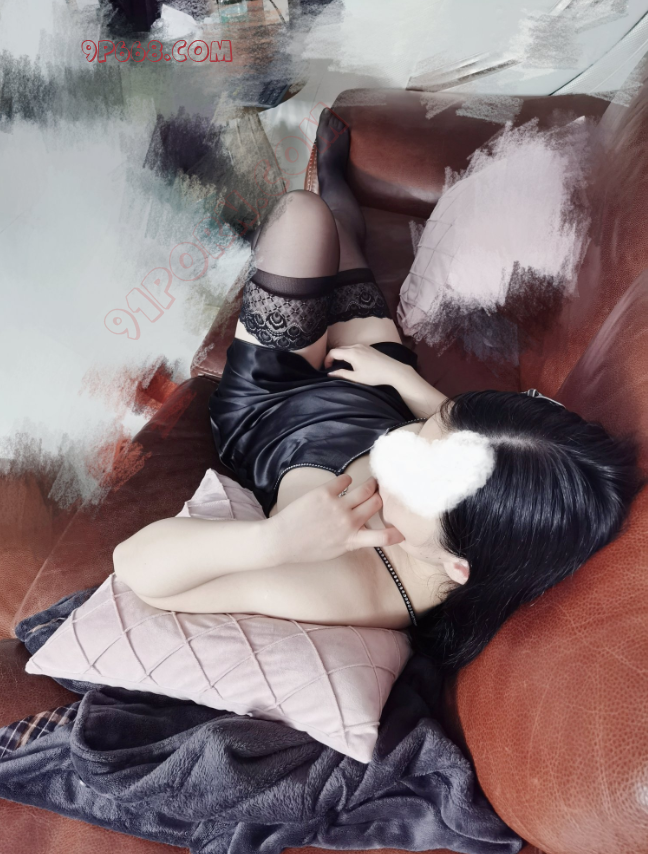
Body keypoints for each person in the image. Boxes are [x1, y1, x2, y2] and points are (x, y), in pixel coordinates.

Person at [114, 109, 643, 674]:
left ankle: (307, 206)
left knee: (300, 216)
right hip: (370, 397)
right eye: (421, 435)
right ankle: (340, 202)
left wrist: (273, 541)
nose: (395, 447)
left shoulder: (345, 584)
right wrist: (400, 381)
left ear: (457, 567)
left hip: (272, 412)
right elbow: (465, 432)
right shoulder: (463, 507)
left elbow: (135, 566)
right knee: (329, 229)